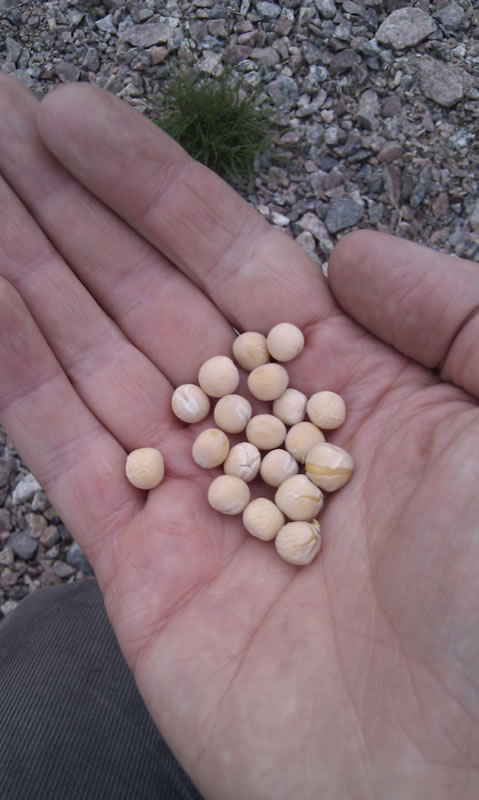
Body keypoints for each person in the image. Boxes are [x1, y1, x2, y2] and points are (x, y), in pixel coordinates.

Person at [0, 70, 478, 800]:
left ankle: (71, 623)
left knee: (49, 662)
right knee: (56, 654)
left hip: (193, 669)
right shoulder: (262, 429)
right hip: (224, 673)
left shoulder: (275, 439)